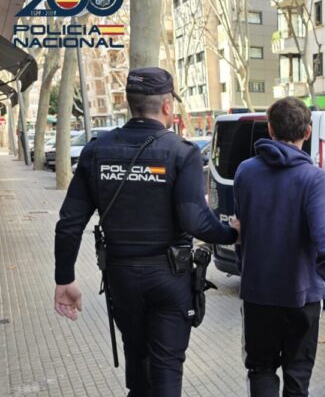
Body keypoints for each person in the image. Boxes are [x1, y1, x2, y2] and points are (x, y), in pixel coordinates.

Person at [53, 67, 239, 397]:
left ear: (129, 103)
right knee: (167, 368)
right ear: (167, 106)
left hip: (122, 279)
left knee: (138, 364)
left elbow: (69, 222)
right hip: (170, 278)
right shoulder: (182, 153)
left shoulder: (97, 151)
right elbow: (195, 220)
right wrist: (231, 234)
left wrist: (64, 278)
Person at [234, 97, 325, 397]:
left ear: (270, 129)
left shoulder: (245, 172)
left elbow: (243, 224)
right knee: (298, 373)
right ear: (307, 131)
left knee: (261, 369)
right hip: (302, 295)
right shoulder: (315, 178)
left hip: (257, 293)